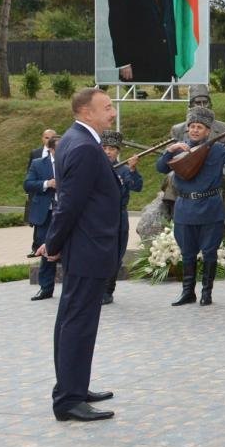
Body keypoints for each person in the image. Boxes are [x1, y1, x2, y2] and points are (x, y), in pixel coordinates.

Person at [38, 87, 122, 422]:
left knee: (73, 320)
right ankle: (68, 399)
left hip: (86, 247)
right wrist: (53, 244)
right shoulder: (84, 146)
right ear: (86, 112)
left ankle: (73, 385)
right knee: (78, 323)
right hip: (89, 248)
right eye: (107, 107)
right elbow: (69, 205)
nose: (112, 112)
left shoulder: (74, 140)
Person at [156, 106, 225, 307]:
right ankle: (188, 292)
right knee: (187, 252)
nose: (195, 130)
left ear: (207, 131)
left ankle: (206, 293)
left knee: (210, 252)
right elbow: (160, 168)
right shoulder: (179, 148)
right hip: (185, 207)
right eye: (192, 126)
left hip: (209, 207)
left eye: (200, 127)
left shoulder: (217, 149)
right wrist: (170, 151)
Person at [100, 131, 143, 306]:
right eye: (104, 148)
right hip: (99, 216)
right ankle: (95, 289)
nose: (108, 152)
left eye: (112, 149)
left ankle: (108, 290)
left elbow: (137, 187)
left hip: (118, 215)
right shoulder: (94, 168)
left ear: (118, 152)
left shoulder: (124, 169)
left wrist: (133, 170)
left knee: (116, 254)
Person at [24, 134, 58, 301]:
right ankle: (46, 288)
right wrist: (47, 184)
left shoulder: (72, 163)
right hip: (46, 214)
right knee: (46, 251)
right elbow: (28, 184)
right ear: (51, 149)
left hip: (66, 213)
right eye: (58, 149)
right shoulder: (38, 164)